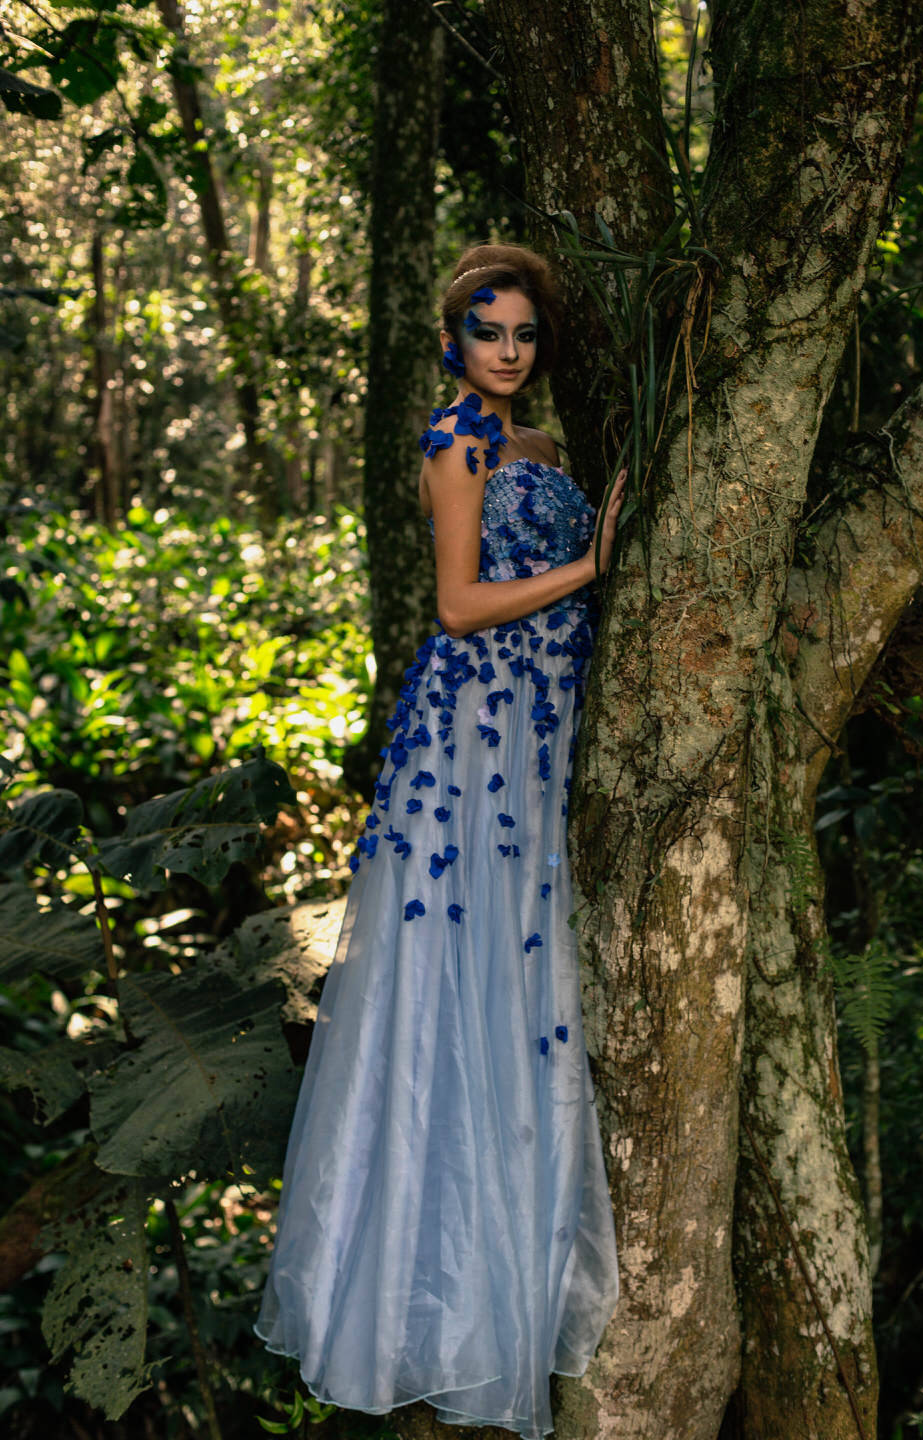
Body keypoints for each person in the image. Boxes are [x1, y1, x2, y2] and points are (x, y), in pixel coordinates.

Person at [256, 242, 625, 1439]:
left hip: (534, 724)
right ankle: (434, 1309)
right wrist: (593, 565)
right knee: (459, 986)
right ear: (455, 338)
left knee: (516, 980)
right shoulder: (455, 440)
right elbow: (460, 604)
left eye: (523, 333)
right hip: (476, 731)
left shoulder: (533, 444)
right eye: (489, 331)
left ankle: (498, 1281)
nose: (509, 351)